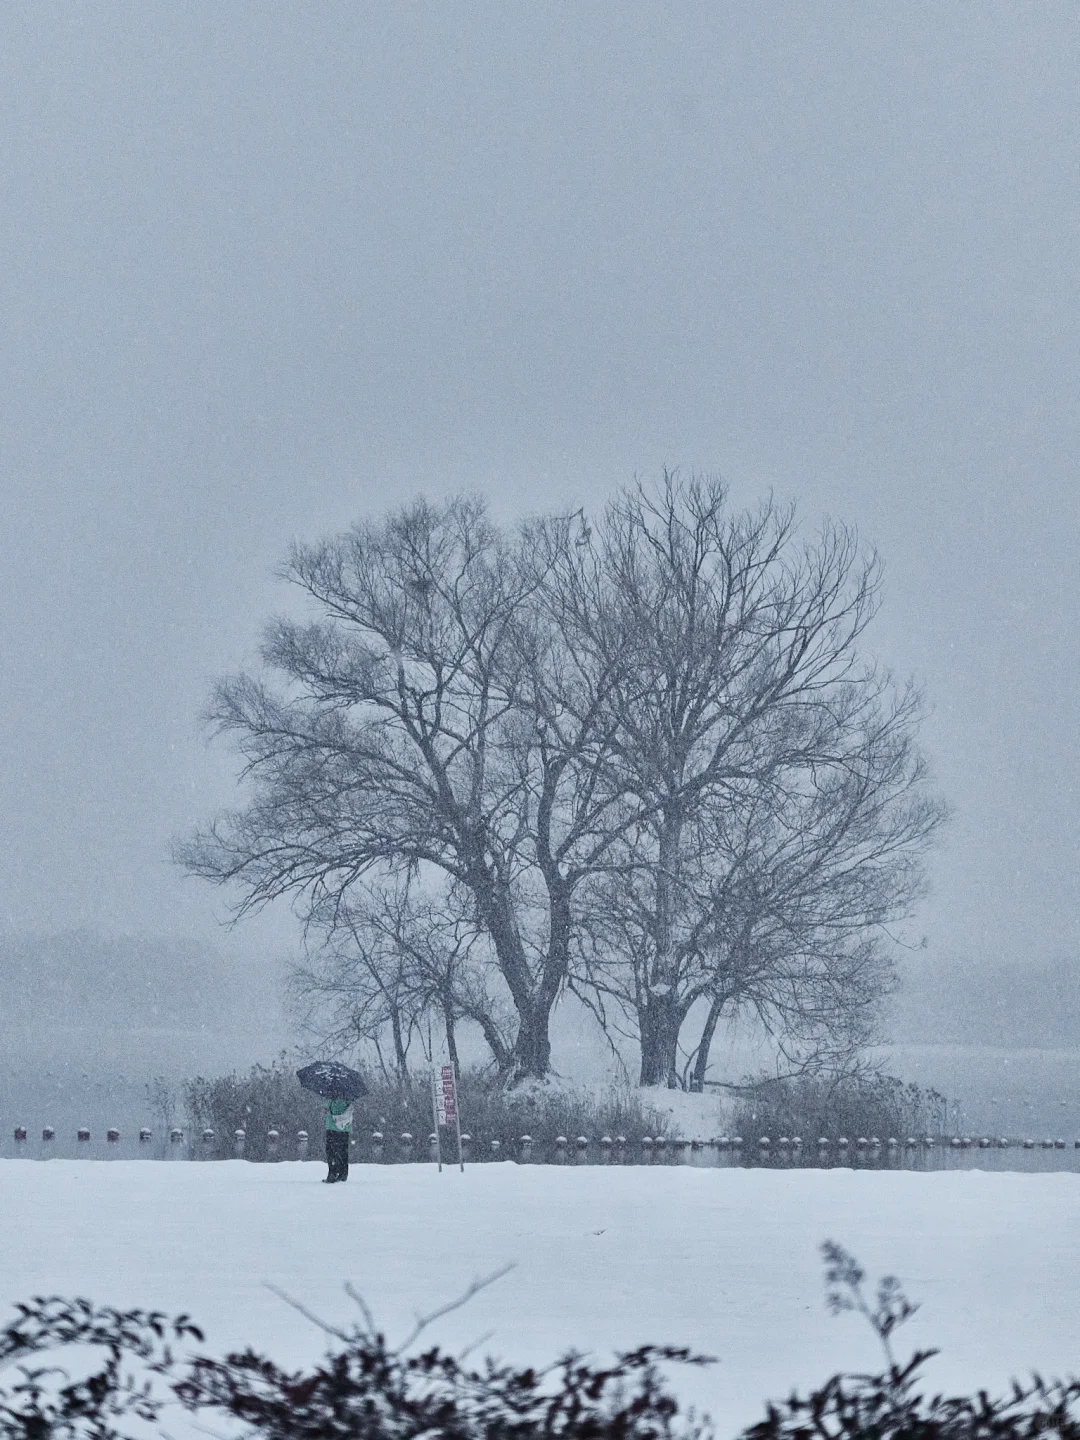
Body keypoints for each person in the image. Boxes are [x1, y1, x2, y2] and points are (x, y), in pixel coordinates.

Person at [324, 1097, 353, 1182]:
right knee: (343, 1150)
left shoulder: (332, 1097)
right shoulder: (348, 1096)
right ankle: (343, 1173)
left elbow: (328, 1107)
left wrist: (327, 1108)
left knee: (331, 1150)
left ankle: (333, 1172)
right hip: (344, 1128)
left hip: (332, 1126)